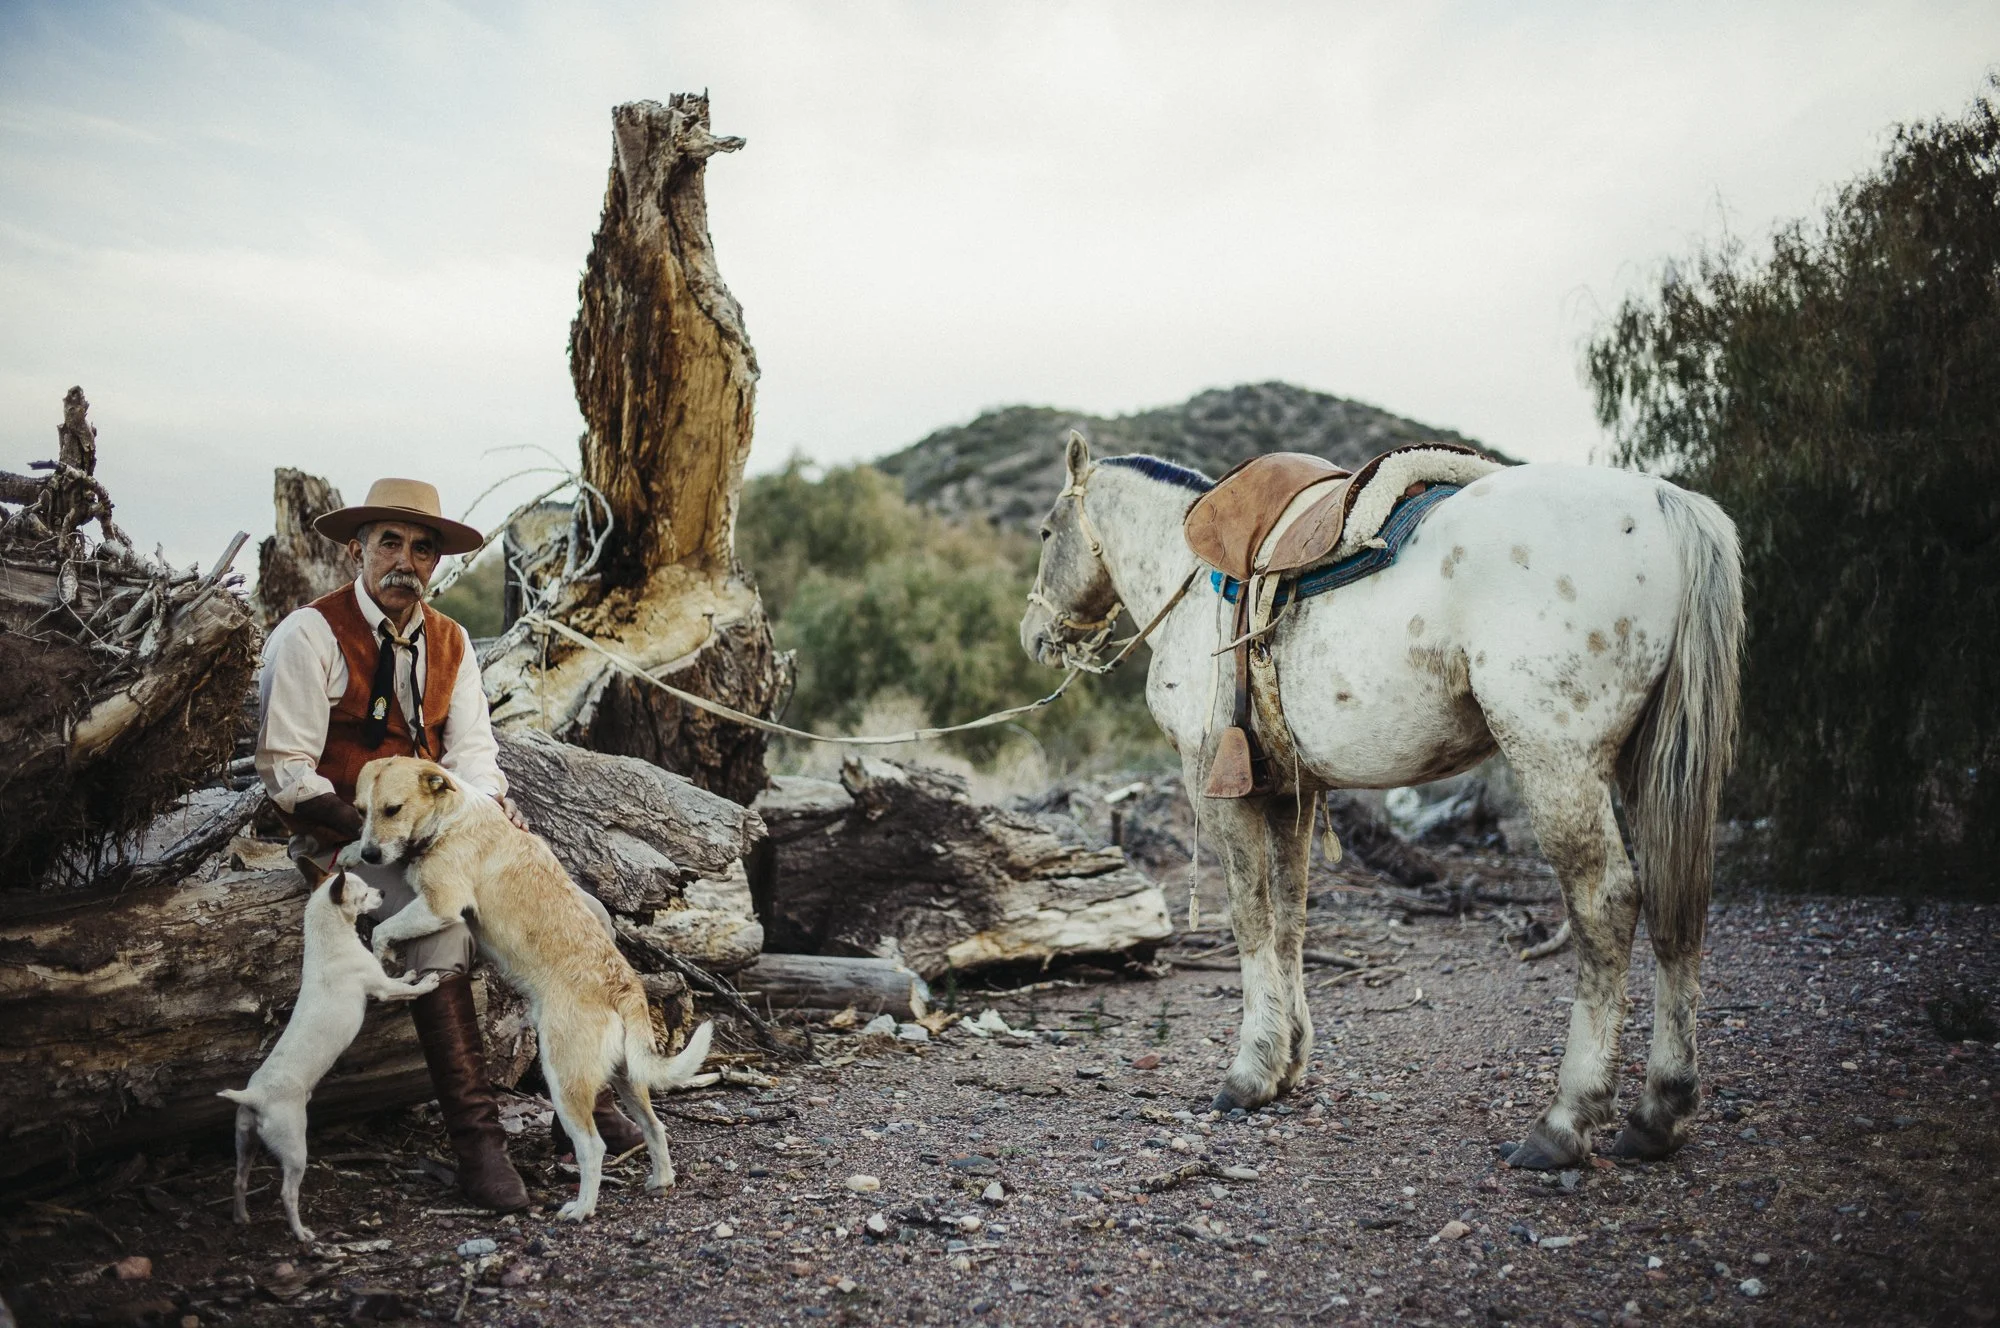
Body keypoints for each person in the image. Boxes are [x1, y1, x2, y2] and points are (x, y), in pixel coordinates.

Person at [255, 477, 642, 1212]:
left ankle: (577, 1110)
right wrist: (375, 835)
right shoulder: (309, 635)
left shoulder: (451, 641)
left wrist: (489, 816)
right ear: (356, 549)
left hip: (449, 836)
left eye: (422, 548)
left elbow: (473, 757)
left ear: (435, 562)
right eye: (390, 542)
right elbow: (286, 772)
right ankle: (477, 1144)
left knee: (582, 913)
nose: (405, 560)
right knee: (440, 942)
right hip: (350, 841)